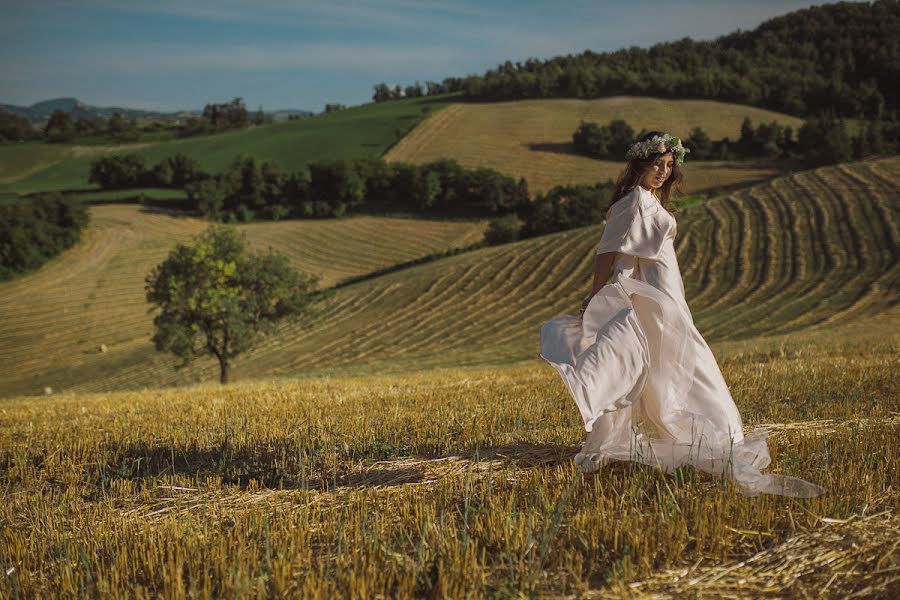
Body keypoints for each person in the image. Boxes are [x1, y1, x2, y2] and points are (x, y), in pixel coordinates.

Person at [539, 131, 825, 498]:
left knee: (668, 365)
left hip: (668, 293)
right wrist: (596, 295)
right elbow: (607, 252)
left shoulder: (650, 200)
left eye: (669, 165)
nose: (663, 171)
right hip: (653, 298)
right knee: (691, 359)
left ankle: (688, 434)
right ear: (640, 164)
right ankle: (721, 433)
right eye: (657, 164)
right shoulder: (634, 202)